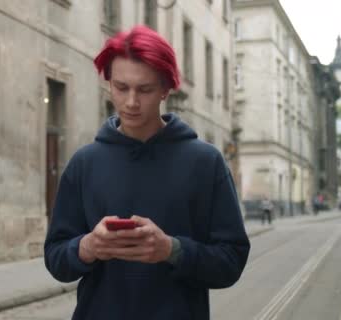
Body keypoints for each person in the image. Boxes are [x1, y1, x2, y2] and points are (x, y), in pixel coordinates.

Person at [44, 25, 250, 320]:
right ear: (109, 84)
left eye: (145, 89)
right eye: (121, 87)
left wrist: (171, 249)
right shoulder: (84, 163)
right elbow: (56, 259)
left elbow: (231, 262)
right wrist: (88, 246)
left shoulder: (206, 162)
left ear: (166, 89)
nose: (131, 102)